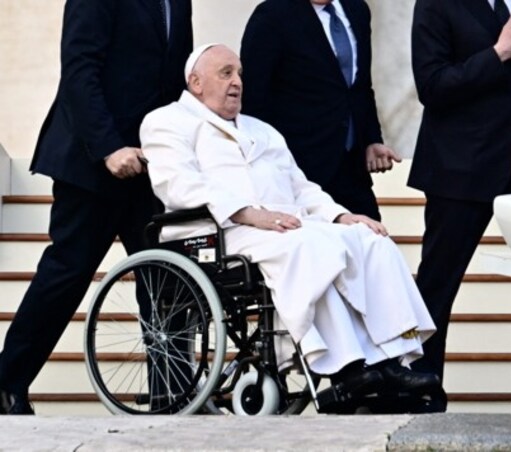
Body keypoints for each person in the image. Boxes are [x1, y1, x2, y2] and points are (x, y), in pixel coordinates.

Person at [140, 44, 438, 403]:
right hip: (217, 232)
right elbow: (178, 184)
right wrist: (248, 213)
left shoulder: (261, 129)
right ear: (196, 82)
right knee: (310, 247)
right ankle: (347, 369)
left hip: (281, 226)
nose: (237, 82)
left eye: (239, 74)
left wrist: (342, 216)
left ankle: (391, 359)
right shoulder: (166, 121)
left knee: (368, 238)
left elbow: (301, 187)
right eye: (226, 73)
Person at [0, 0, 193, 415]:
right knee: (66, 275)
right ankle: (6, 384)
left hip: (148, 167)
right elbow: (80, 70)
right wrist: (108, 147)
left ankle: (171, 394)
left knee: (167, 277)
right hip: (91, 162)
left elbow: (176, 83)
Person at [408, 0, 511, 412]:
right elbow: (432, 86)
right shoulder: (435, 4)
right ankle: (422, 392)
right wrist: (498, 54)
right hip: (459, 169)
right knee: (437, 287)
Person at [240, 0, 400, 221]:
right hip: (299, 168)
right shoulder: (272, 14)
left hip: (351, 166)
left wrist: (372, 139)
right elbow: (254, 97)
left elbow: (359, 86)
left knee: (372, 241)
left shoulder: (357, 10)